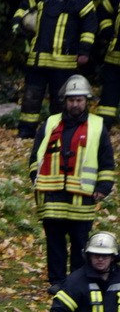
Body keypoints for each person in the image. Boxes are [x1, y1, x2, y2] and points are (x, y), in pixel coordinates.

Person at [29, 74, 115, 295]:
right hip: (52, 195)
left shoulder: (97, 126)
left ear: (86, 101)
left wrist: (103, 187)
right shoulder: (50, 124)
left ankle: (77, 282)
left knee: (80, 243)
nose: (75, 104)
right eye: (71, 99)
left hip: (82, 197)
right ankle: (57, 281)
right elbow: (35, 157)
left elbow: (106, 160)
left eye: (79, 99)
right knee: (55, 243)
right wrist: (35, 179)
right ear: (64, 101)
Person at [12, 0, 97, 139]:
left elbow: (89, 26)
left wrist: (84, 51)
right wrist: (17, 22)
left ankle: (59, 131)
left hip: (64, 62)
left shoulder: (81, 2)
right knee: (30, 98)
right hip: (38, 59)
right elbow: (24, 7)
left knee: (60, 101)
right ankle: (26, 132)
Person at [97, 0, 120, 128]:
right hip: (114, 57)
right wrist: (108, 31)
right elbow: (103, 10)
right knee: (108, 98)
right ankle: (103, 128)